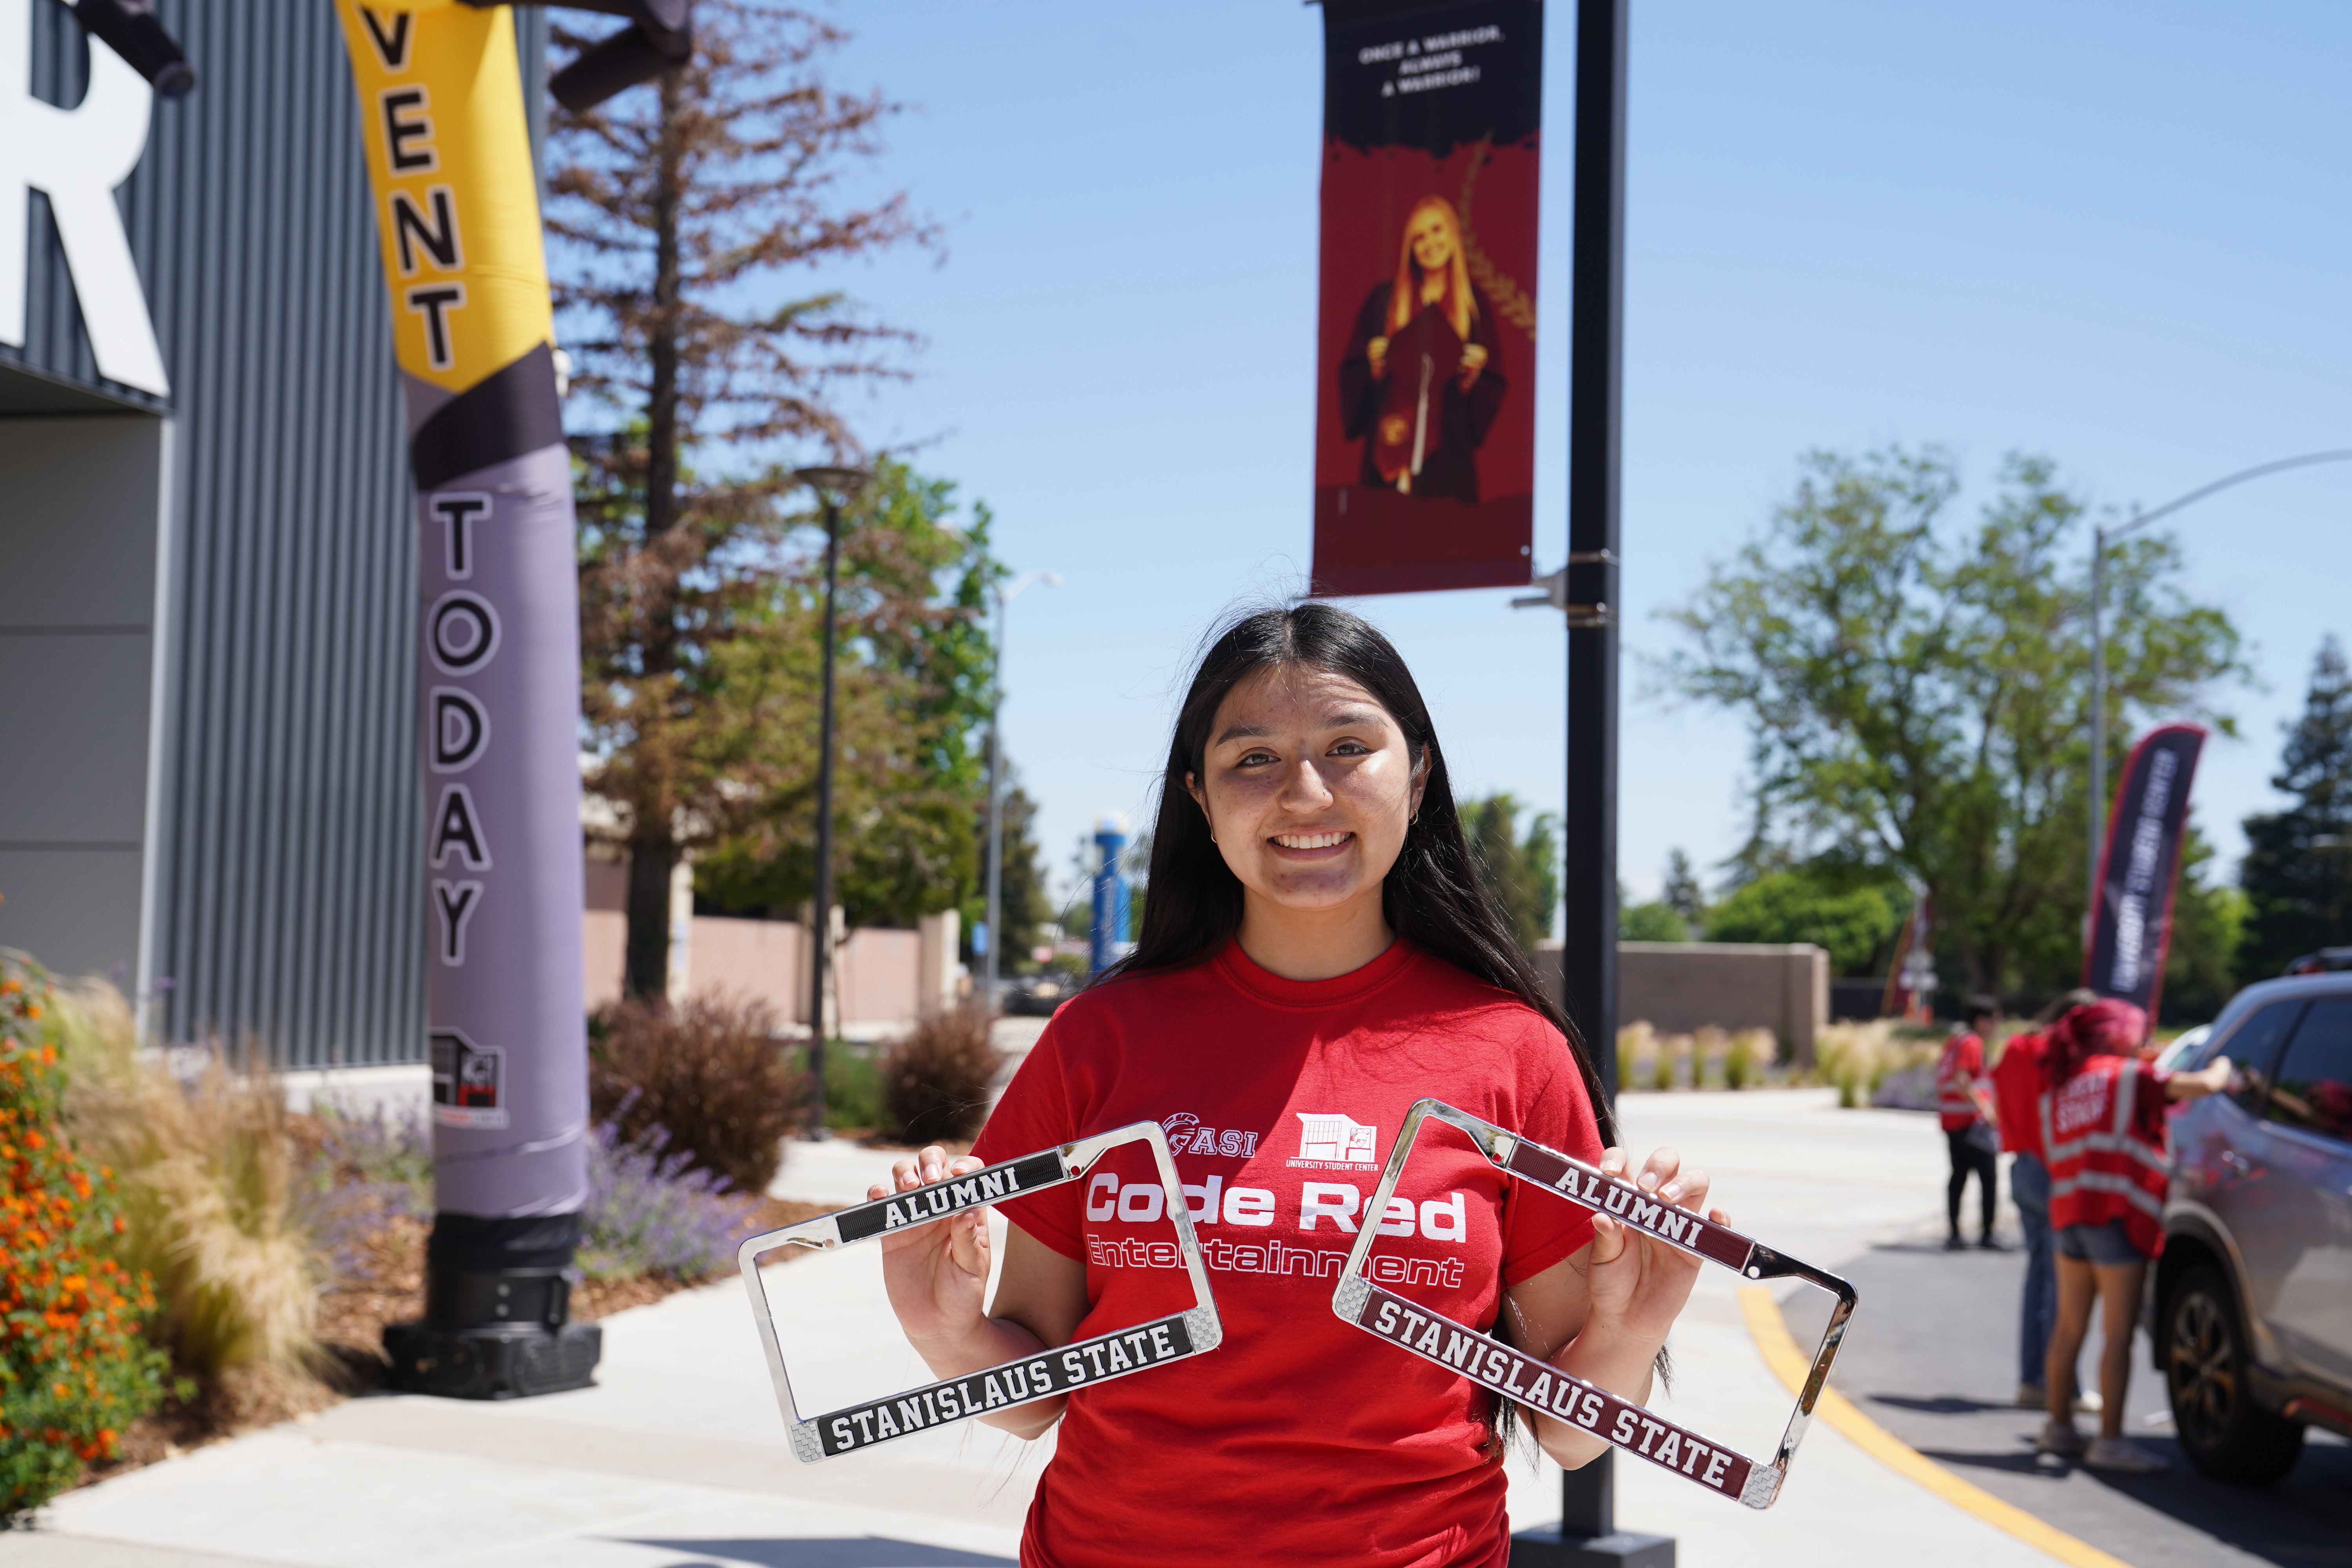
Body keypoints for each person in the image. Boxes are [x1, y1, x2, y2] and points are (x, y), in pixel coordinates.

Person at [873, 604, 1722, 1568]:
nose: (1305, 793)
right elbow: (1038, 1394)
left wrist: (1633, 1322)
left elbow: (1568, 1432)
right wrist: (945, 1331)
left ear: (1421, 773)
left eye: (1349, 746)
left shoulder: (1512, 1053)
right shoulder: (1099, 1039)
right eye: (1254, 759)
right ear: (1199, 794)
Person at [2036, 997, 2232, 1474]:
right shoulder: (2131, 1077)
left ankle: (2058, 1428)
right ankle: (2110, 1441)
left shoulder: (2063, 1085)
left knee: (2068, 1328)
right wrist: (2228, 1063)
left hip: (2069, 1213)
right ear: (2116, 1033)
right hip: (2116, 1214)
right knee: (2118, 1334)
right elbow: (2205, 1084)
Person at [1336, 196, 1507, 503]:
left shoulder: (1473, 307)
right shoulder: (1385, 302)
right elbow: (1353, 386)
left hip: (1447, 462)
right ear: (1410, 248)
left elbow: (1487, 398)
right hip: (1387, 456)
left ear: (1453, 234)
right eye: (1419, 238)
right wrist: (1373, 370)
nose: (1430, 243)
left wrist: (1470, 380)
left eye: (1437, 230)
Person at [1991, 988, 2092, 1410]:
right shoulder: (2060, 1054)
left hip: (2022, 1167)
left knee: (2038, 1279)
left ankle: (2032, 1380)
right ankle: (2062, 1387)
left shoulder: (2017, 1046)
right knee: (2061, 1286)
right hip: (2054, 1171)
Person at [1935, 998, 2000, 1250]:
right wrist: (1985, 1108)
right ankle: (1987, 1235)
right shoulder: (1972, 1042)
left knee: (1959, 1176)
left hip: (1952, 1121)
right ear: (1982, 1020)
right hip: (1971, 1124)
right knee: (1988, 1177)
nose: (1997, 1025)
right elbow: (1962, 1078)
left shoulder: (1956, 1040)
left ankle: (1954, 1233)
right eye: (1995, 1019)